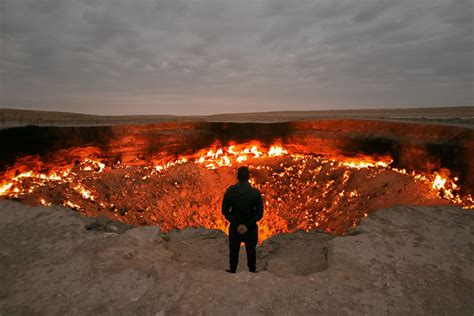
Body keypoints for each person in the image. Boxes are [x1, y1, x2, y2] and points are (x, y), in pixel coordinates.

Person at [222, 166, 264, 273]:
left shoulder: (231, 191)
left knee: (234, 251)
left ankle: (233, 270)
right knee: (251, 251)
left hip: (235, 228)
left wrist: (236, 224)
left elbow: (225, 210)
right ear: (248, 177)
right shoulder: (255, 193)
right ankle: (252, 270)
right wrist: (248, 225)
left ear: (237, 177)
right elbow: (259, 213)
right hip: (250, 229)